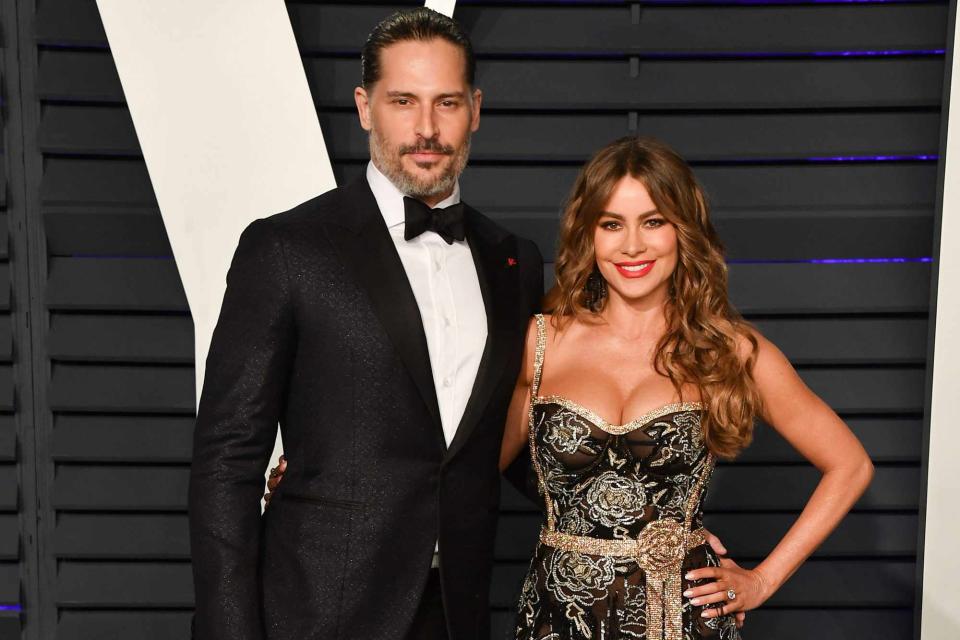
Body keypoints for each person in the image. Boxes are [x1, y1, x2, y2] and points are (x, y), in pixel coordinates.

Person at [187, 9, 546, 640]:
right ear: (364, 106)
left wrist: (653, 515)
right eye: (403, 101)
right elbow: (226, 462)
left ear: (476, 110)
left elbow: (505, 440)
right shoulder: (287, 248)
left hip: (458, 613)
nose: (427, 128)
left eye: (448, 103)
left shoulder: (514, 260)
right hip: (316, 613)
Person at [495, 137, 875, 639]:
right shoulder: (539, 343)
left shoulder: (730, 349)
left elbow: (850, 465)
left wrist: (762, 580)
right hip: (556, 618)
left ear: (683, 231)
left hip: (684, 620)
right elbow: (471, 475)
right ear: (589, 235)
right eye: (612, 224)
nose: (632, 245)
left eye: (653, 222)